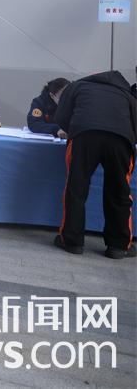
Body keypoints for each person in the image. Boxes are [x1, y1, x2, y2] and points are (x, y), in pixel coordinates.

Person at [53, 71, 137, 259]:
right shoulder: (126, 94)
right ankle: (119, 246)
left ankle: (72, 242)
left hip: (84, 136)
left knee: (76, 188)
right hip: (120, 140)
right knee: (119, 192)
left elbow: (62, 117)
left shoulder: (78, 86)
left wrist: (73, 128)